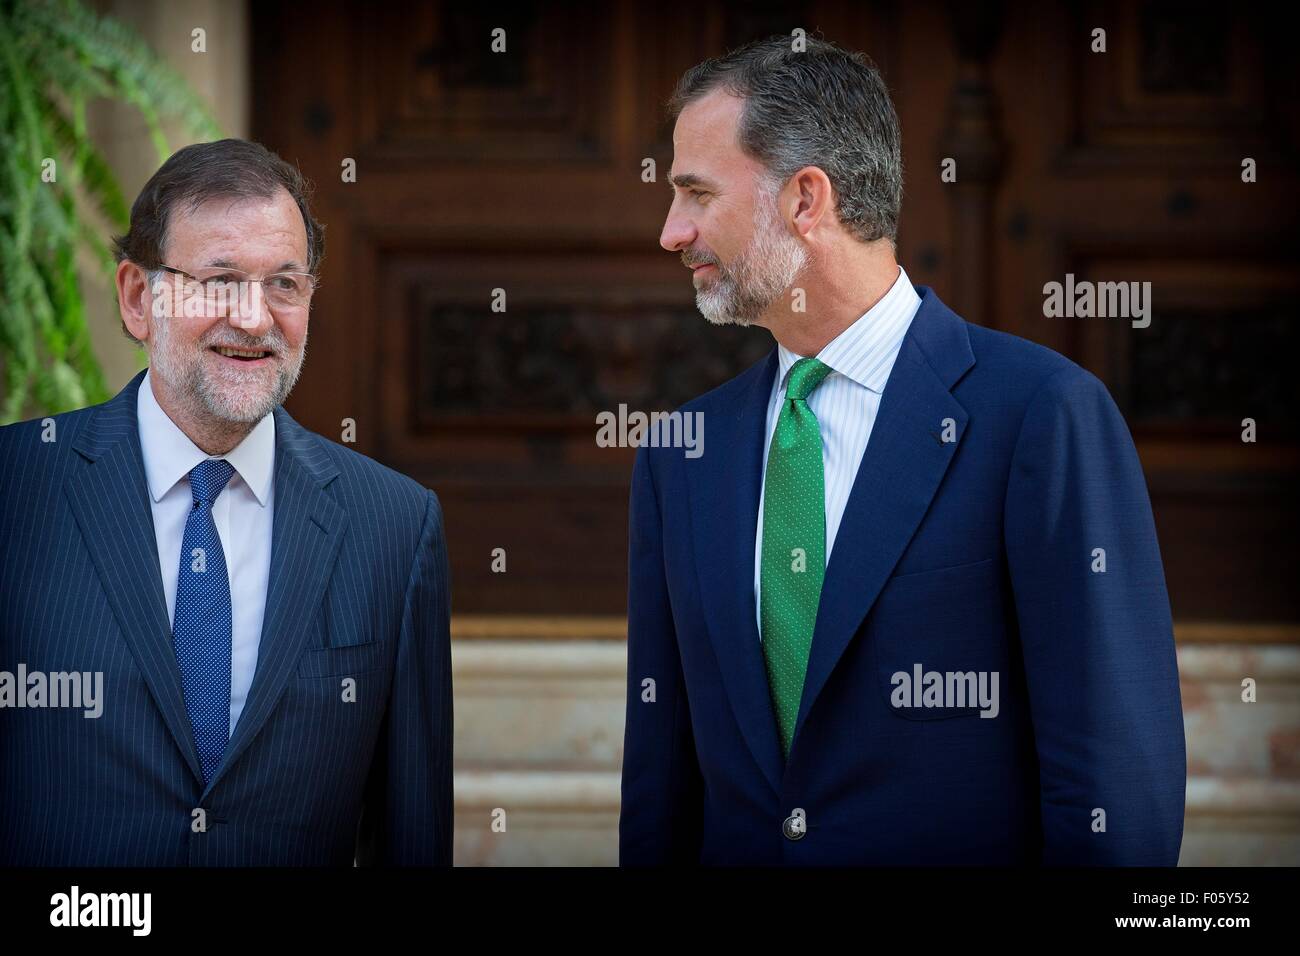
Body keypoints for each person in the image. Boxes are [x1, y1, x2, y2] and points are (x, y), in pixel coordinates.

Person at [619, 37, 1186, 865]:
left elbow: (1115, 780)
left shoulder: (1041, 416)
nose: (672, 232)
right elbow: (661, 788)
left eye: (695, 193)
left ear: (805, 198)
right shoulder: (682, 454)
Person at [0, 139, 452, 866]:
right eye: (218, 281)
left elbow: (412, 831)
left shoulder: (394, 524)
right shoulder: (16, 489)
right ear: (138, 299)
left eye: (283, 283)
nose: (253, 318)